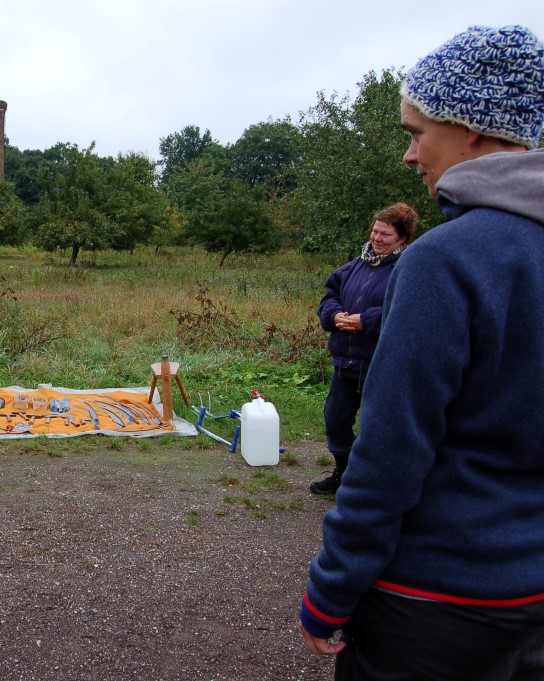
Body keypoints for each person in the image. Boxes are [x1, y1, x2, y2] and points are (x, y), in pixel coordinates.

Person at [299, 25, 544, 678]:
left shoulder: (445, 259)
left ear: (471, 129)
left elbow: (390, 449)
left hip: (433, 601)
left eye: (416, 132)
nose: (410, 155)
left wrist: (331, 589)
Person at [310, 203, 419, 495]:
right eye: (375, 231)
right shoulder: (355, 264)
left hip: (382, 365)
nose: (377, 238)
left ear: (402, 239)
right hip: (346, 362)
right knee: (335, 423)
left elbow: (408, 310)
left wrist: (366, 321)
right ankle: (344, 475)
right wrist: (334, 316)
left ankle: (376, 486)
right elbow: (329, 295)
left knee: (379, 429)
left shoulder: (409, 268)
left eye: (385, 234)